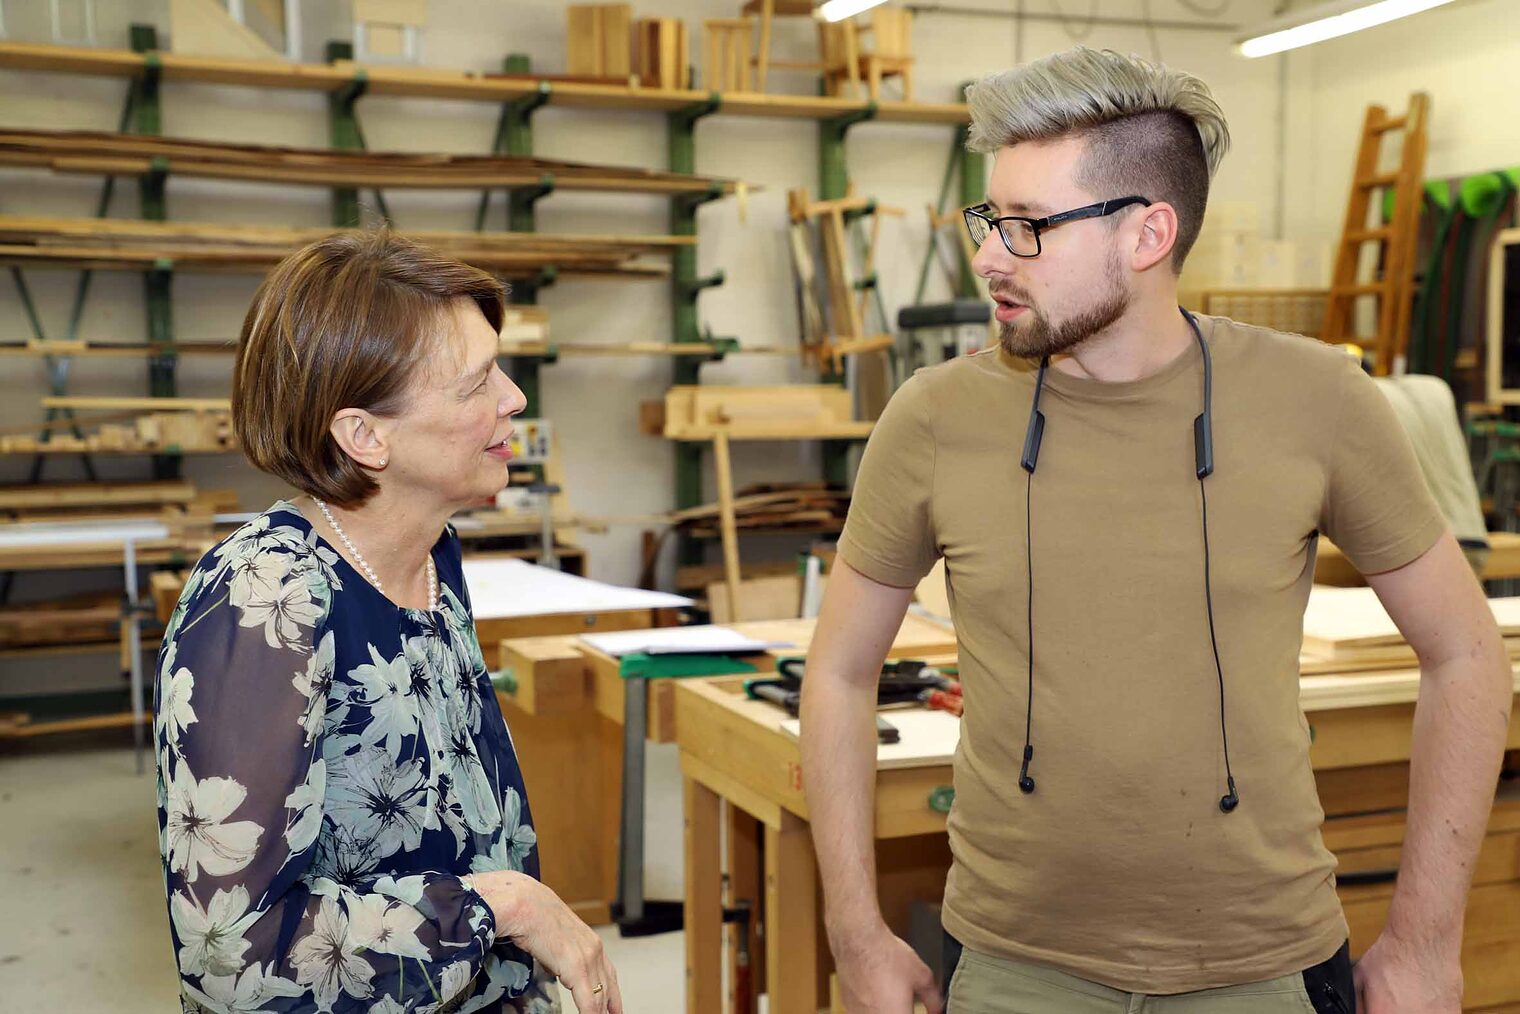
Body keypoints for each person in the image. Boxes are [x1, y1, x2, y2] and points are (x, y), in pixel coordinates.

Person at [801, 47, 1512, 1014]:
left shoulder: (1320, 400)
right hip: (1013, 967)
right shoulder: (933, 417)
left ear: (1147, 234)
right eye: (988, 219)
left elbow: (1467, 651)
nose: (988, 257)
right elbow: (840, 672)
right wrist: (856, 932)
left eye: (1026, 228)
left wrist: (1427, 942)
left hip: (1264, 966)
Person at [153, 231, 622, 1013]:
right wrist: (506, 907)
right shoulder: (264, 598)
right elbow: (234, 959)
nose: (514, 397)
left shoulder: (433, 554)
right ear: (365, 436)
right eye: (477, 384)